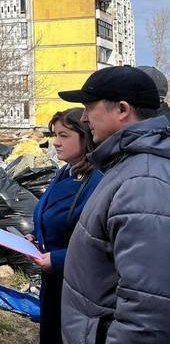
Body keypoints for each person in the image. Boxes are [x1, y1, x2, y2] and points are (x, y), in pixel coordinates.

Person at [57, 65, 170, 343]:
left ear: (122, 109)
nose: (83, 117)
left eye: (89, 107)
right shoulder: (127, 165)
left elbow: (148, 311)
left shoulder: (143, 180)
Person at [27, 108, 102, 344]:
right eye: (54, 135)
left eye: (64, 136)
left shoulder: (97, 180)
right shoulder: (65, 172)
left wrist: (59, 258)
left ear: (85, 136)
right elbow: (52, 216)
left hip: (79, 286)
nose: (56, 143)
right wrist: (36, 238)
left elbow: (100, 243)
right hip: (54, 280)